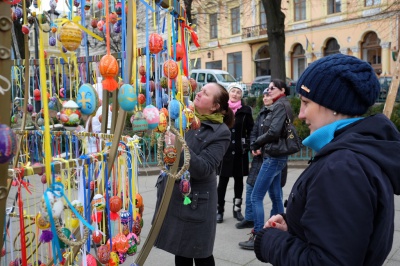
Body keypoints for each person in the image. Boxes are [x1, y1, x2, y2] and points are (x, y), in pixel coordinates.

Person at [254, 54, 400, 265]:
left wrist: (269, 240)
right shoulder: (352, 153)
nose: (301, 114)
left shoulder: (342, 167)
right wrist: (294, 226)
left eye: (306, 102)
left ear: (335, 106)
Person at [154, 82, 234, 266]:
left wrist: (179, 147)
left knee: (201, 253)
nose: (199, 93)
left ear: (215, 106)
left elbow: (205, 167)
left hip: (197, 200)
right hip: (179, 196)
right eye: (201, 90)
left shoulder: (221, 132)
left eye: (205, 93)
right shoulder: (187, 117)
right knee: (180, 251)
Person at [239, 79, 294, 250]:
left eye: (272, 88)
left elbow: (273, 132)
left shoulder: (279, 105)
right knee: (276, 195)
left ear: (282, 90)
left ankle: (257, 236)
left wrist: (256, 144)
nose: (268, 91)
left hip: (273, 157)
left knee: (256, 197)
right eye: (268, 88)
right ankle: (280, 232)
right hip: (278, 156)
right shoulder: (283, 104)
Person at [217, 83, 254, 223]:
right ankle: (219, 210)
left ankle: (237, 210)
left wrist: (248, 144)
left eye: (238, 92)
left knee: (239, 182)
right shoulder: (222, 109)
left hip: (240, 152)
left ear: (241, 95)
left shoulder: (245, 111)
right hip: (224, 151)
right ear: (228, 92)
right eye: (233, 91)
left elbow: (251, 130)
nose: (235, 94)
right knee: (222, 182)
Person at [236, 89, 272, 229]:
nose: (265, 98)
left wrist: (261, 146)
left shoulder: (278, 112)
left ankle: (259, 229)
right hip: (258, 158)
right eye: (263, 95)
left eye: (268, 95)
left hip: (269, 157)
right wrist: (253, 145)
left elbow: (274, 135)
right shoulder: (263, 112)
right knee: (250, 187)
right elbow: (254, 132)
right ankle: (250, 217)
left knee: (272, 193)